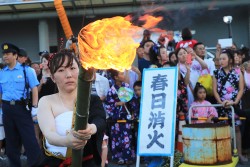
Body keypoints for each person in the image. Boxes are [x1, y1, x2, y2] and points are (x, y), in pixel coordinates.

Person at [37, 49, 106, 166]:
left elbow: (100, 120)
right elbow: (49, 133)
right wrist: (67, 141)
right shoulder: (46, 101)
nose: (68, 75)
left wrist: (90, 128)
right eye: (61, 70)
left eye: (72, 68)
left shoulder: (92, 99)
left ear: (79, 71)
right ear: (53, 77)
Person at [0, 42, 43, 167]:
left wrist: (35, 107)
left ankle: (34, 164)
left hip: (22, 108)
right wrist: (2, 108)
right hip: (7, 109)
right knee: (11, 142)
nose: (5, 57)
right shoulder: (2, 72)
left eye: (8, 54)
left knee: (29, 139)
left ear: (15, 55)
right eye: (4, 54)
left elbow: (34, 89)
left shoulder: (27, 70)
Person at [212, 49, 248, 164]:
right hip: (221, 105)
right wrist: (220, 102)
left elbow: (241, 89)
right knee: (223, 129)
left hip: (234, 105)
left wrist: (235, 102)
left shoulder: (238, 72)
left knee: (237, 128)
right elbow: (214, 90)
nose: (221, 61)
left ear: (230, 60)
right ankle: (225, 154)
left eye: (224, 58)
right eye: (220, 59)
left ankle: (239, 153)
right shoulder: (216, 73)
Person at [105, 69, 135, 165]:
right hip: (116, 119)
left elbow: (133, 101)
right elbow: (108, 104)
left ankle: (128, 157)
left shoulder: (126, 87)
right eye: (121, 74)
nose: (123, 75)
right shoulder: (111, 90)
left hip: (126, 117)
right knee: (116, 138)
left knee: (127, 137)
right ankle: (119, 157)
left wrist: (133, 112)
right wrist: (117, 103)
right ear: (116, 77)